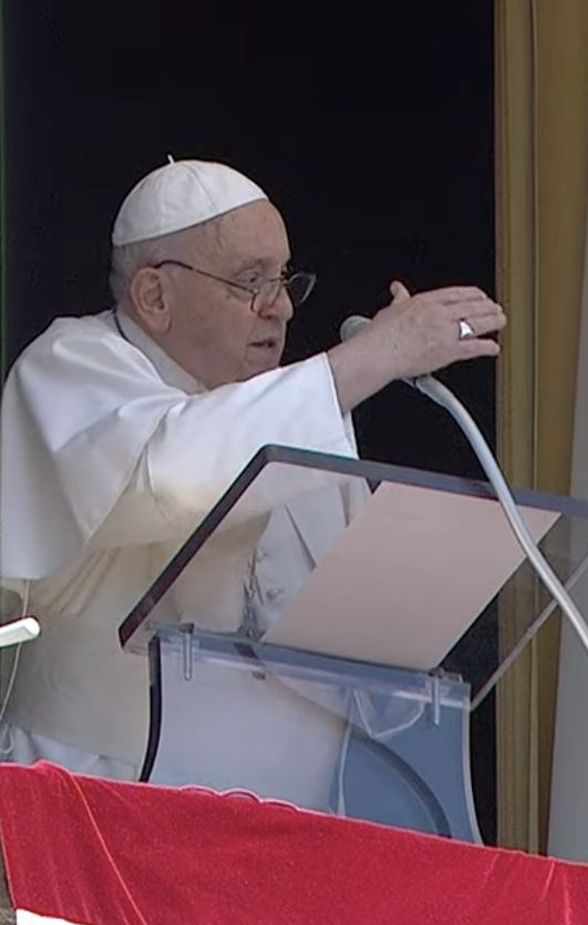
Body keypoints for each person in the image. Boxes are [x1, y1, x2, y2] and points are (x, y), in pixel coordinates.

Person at [0, 158, 505, 803]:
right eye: (252, 282)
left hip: (286, 834)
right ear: (155, 296)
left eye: (286, 280)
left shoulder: (303, 414)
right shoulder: (70, 368)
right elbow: (172, 475)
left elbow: (373, 684)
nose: (283, 307)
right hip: (98, 807)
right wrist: (374, 357)